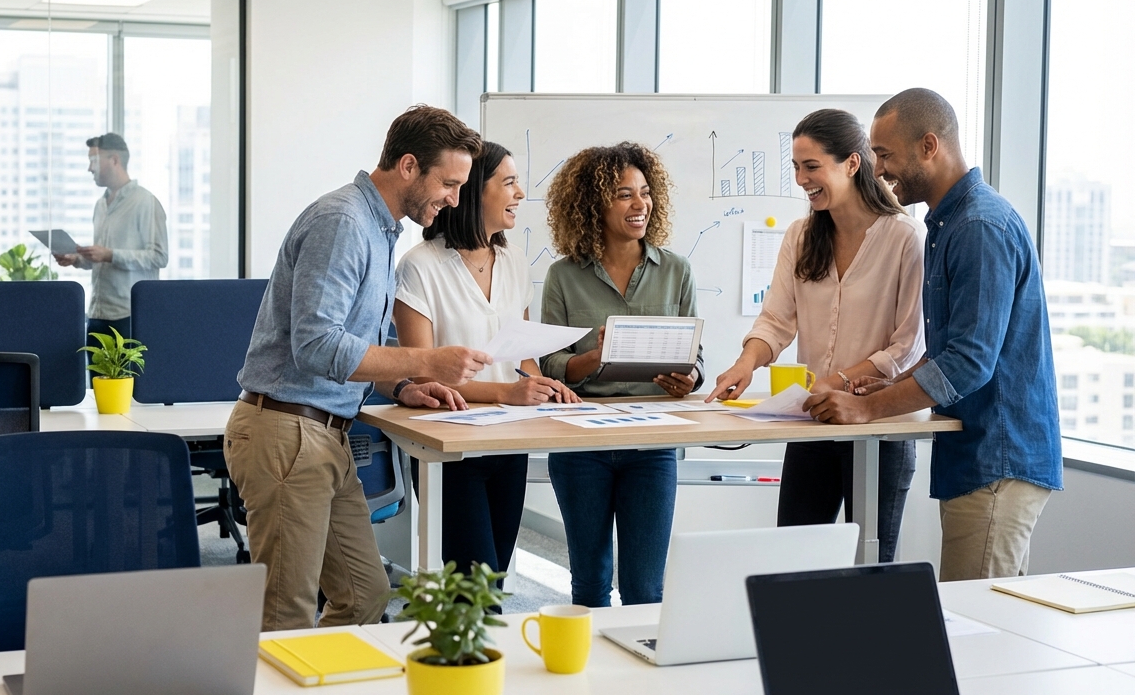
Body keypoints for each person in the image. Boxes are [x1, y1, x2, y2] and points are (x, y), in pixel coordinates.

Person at [226, 105, 494, 631]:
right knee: (285, 616)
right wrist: (427, 360)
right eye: (449, 184)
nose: (454, 199)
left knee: (365, 595)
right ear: (409, 166)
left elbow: (354, 342)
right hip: (288, 432)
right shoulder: (344, 223)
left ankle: (319, 679)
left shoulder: (379, 229)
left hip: (325, 435)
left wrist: (403, 383)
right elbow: (317, 345)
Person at [805, 88, 1062, 581]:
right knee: (981, 615)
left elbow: (969, 362)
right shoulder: (948, 225)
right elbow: (947, 351)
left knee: (974, 619)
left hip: (997, 459)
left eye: (885, 155)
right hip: (978, 458)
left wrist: (866, 409)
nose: (878, 170)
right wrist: (889, 387)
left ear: (929, 146)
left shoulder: (979, 226)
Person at [705, 109, 926, 563]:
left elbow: (907, 346)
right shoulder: (801, 235)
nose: (801, 179)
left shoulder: (905, 237)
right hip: (814, 422)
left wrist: (840, 380)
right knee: (795, 558)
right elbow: (775, 321)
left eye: (812, 166)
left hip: (879, 426)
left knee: (872, 565)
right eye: (796, 167)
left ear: (852, 163)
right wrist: (745, 364)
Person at [394, 141, 580, 580]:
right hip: (449, 447)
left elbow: (523, 359)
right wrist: (508, 392)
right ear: (475, 190)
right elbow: (421, 375)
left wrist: (543, 386)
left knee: (491, 583)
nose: (520, 194)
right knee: (471, 588)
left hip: (508, 444)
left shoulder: (514, 260)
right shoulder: (420, 266)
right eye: (509, 182)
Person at [539, 142, 704, 608]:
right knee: (590, 584)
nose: (640, 204)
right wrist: (596, 357)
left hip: (652, 444)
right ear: (593, 204)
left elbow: (695, 354)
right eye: (624, 194)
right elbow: (550, 365)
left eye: (645, 192)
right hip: (581, 445)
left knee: (645, 589)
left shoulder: (677, 270)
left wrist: (691, 378)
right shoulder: (563, 276)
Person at [54, 133, 167, 341]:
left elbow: (159, 257)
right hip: (97, 314)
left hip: (128, 316)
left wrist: (110, 255)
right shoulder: (100, 205)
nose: (90, 168)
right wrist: (77, 259)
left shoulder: (145, 202)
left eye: (94, 161)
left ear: (114, 160)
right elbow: (102, 259)